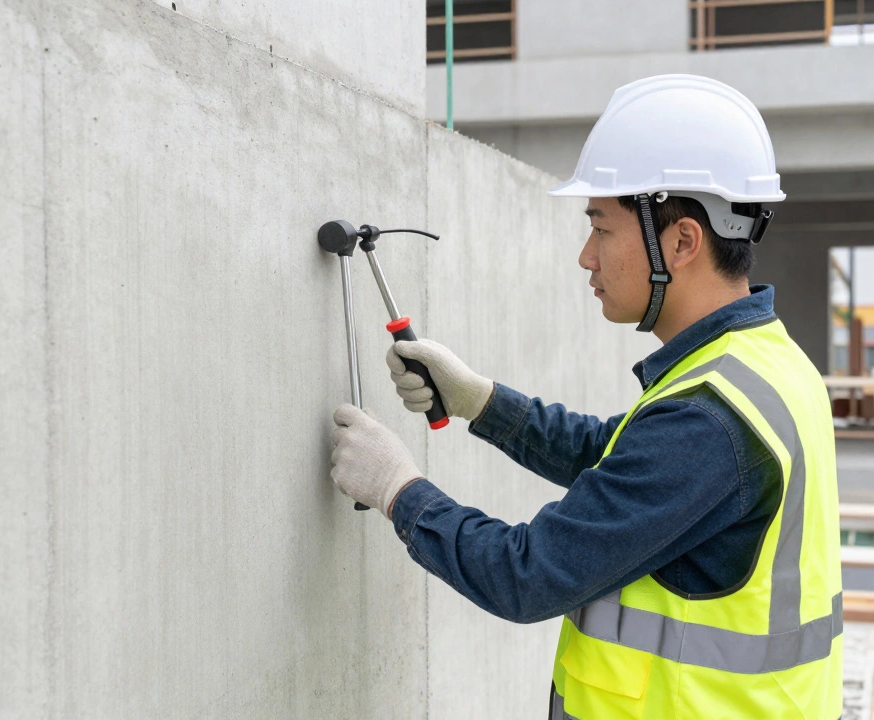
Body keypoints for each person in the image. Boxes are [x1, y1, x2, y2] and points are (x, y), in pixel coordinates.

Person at [329, 74, 842, 719]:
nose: (585, 256)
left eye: (600, 228)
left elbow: (527, 575)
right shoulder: (764, 364)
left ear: (682, 241)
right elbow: (623, 457)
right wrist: (481, 400)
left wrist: (398, 489)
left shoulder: (710, 421)